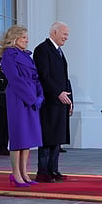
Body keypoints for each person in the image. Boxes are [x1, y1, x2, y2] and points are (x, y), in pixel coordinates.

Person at [0, 25, 44, 187]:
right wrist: (32, 98)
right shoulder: (8, 55)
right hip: (18, 97)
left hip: (32, 95)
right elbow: (15, 79)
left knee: (28, 137)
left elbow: (36, 77)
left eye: (26, 37)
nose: (27, 40)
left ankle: (24, 172)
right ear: (15, 37)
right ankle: (15, 174)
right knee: (19, 136)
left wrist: (40, 95)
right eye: (24, 37)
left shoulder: (27, 56)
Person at [33, 21, 72, 183]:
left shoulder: (60, 52)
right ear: (54, 32)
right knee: (47, 137)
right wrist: (57, 93)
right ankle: (43, 171)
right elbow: (44, 76)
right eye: (64, 34)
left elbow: (65, 78)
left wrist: (71, 101)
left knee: (57, 138)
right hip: (49, 102)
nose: (66, 38)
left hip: (61, 101)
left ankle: (53, 169)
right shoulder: (42, 49)